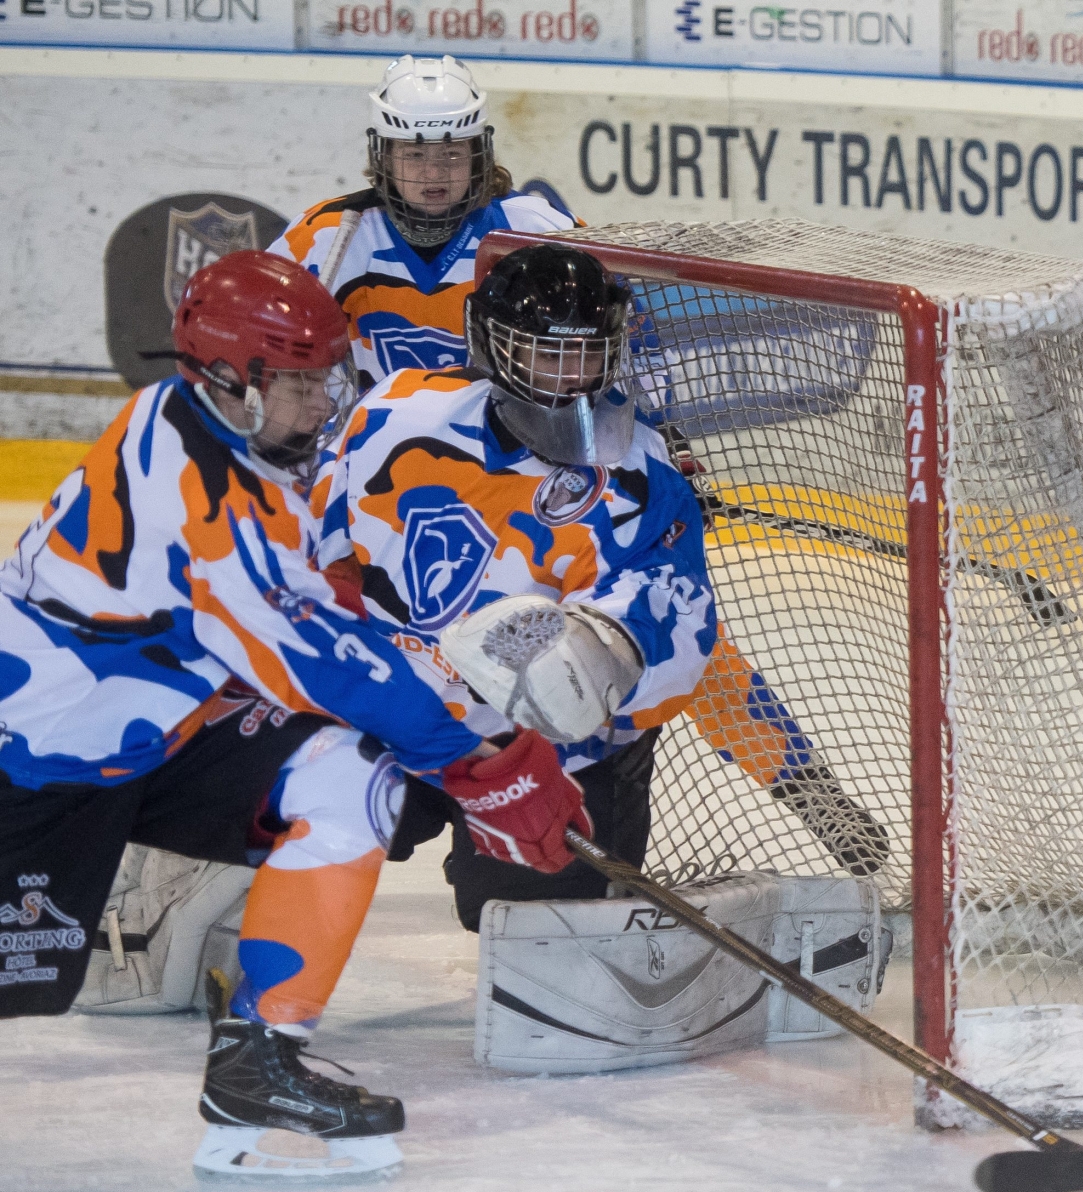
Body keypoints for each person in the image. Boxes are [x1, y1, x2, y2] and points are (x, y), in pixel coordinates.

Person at [0, 249, 594, 1181]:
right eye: (303, 381)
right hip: (36, 767)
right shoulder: (191, 491)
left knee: (347, 769)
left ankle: (258, 1063)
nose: (326, 401)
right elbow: (316, 659)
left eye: (328, 375)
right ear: (233, 380)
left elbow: (325, 611)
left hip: (156, 739)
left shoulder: (232, 434)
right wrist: (486, 765)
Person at [312, 242, 886, 932]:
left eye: (587, 354)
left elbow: (686, 638)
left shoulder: (639, 477)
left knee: (524, 923)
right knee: (281, 798)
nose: (571, 378)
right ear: (494, 348)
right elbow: (313, 538)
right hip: (410, 710)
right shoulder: (394, 414)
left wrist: (599, 650)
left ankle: (804, 784)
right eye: (548, 354)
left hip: (555, 747)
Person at [269, 54, 579, 390]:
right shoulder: (325, 237)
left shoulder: (533, 230)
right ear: (384, 158)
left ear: (479, 156)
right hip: (367, 440)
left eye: (452, 153)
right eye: (414, 155)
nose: (433, 173)